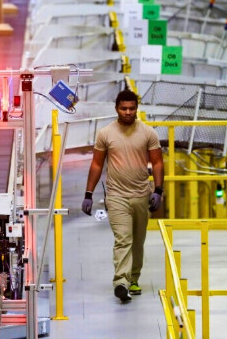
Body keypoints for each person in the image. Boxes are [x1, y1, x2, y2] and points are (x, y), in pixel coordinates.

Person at [81, 89, 164, 302]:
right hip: (116, 196)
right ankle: (121, 282)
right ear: (116, 108)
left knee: (138, 240)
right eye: (123, 108)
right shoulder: (106, 134)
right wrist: (88, 193)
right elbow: (97, 163)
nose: (128, 112)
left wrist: (158, 190)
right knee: (123, 239)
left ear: (137, 109)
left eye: (132, 108)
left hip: (141, 195)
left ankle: (134, 278)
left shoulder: (148, 133)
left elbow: (157, 162)